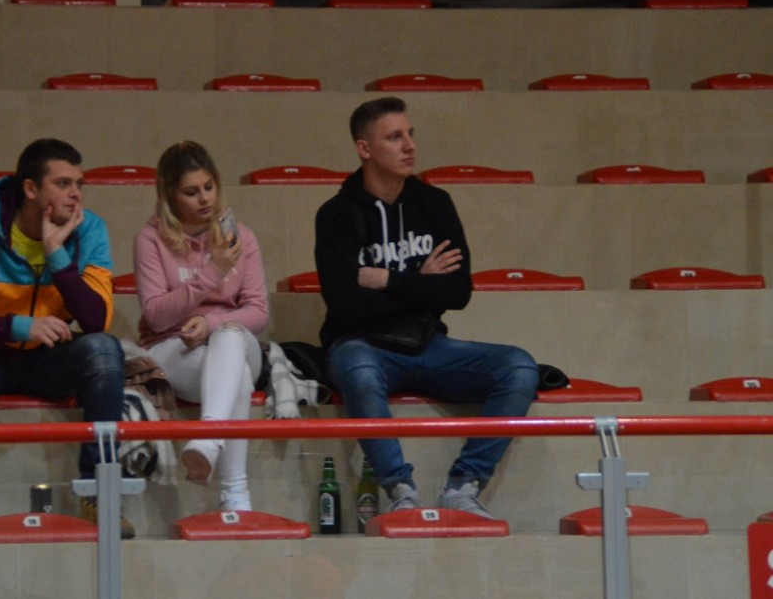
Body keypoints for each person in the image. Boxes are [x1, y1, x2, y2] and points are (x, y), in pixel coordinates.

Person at [314, 97, 539, 519]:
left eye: (411, 134)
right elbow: (344, 305)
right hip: (360, 344)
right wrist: (422, 280)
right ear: (364, 149)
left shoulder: (435, 205)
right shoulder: (335, 215)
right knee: (358, 369)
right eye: (394, 137)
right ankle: (401, 490)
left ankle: (463, 485)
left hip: (427, 343)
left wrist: (387, 279)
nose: (410, 146)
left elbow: (457, 292)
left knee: (520, 367)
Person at [0, 138, 128, 541]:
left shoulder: (91, 229)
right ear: (31, 189)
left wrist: (57, 255)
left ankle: (100, 492)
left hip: (48, 362)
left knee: (105, 350)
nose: (76, 194)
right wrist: (18, 327)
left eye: (80, 184)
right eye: (64, 184)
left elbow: (95, 320)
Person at [134, 140, 269, 512]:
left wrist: (211, 322)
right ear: (170, 196)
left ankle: (208, 438)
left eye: (209, 187)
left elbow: (259, 313)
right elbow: (157, 315)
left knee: (229, 335)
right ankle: (235, 494)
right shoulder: (150, 239)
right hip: (173, 346)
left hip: (236, 340)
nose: (205, 198)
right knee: (238, 377)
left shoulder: (241, 237)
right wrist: (213, 271)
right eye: (191, 192)